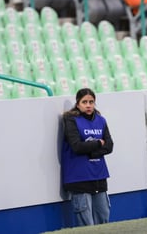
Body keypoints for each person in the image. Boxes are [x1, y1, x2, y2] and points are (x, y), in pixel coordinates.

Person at [61, 88, 114, 226]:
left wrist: (92, 151)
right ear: (78, 104)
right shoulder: (70, 119)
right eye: (84, 102)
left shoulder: (101, 120)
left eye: (91, 102)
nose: (88, 105)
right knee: (86, 225)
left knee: (103, 219)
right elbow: (76, 146)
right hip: (79, 178)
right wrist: (98, 143)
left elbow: (109, 146)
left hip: (99, 176)